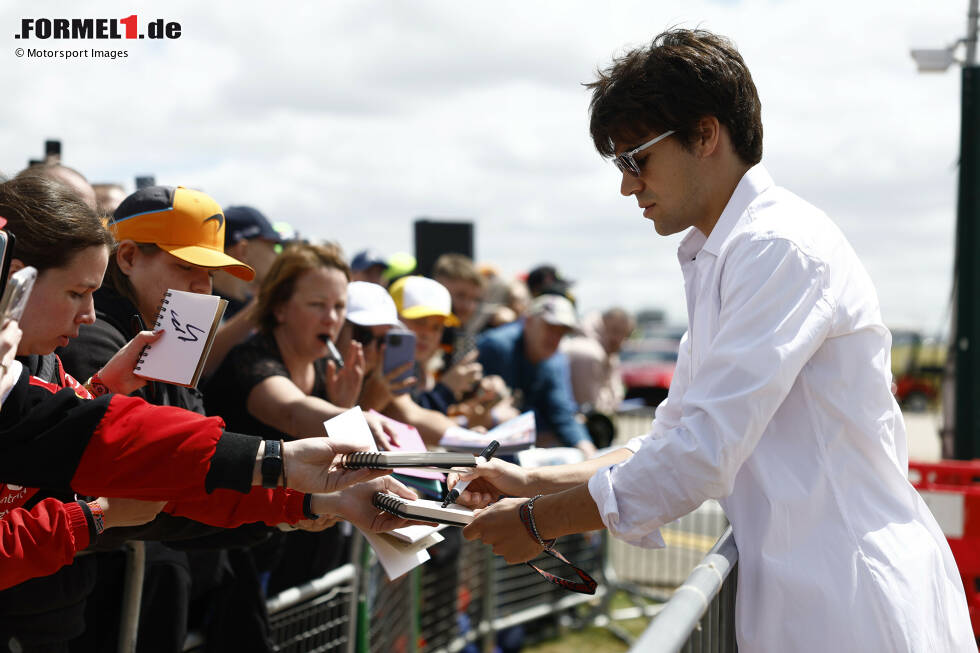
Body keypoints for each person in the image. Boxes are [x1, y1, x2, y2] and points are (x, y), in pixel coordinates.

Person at [456, 29, 973, 652]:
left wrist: (540, 522)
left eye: (635, 158)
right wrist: (534, 483)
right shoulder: (727, 253)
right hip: (815, 597)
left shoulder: (776, 247)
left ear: (706, 135)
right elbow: (674, 437)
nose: (627, 185)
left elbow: (700, 454)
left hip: (851, 604)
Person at [476, 294, 596, 456]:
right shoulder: (497, 346)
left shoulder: (554, 360)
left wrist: (587, 450)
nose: (555, 338)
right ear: (529, 320)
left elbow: (562, 413)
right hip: (481, 444)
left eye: (561, 332)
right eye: (550, 327)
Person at [561, 307, 634, 415]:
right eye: (616, 331)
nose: (620, 340)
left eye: (626, 335)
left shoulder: (604, 353)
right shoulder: (588, 353)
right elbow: (593, 407)